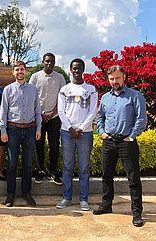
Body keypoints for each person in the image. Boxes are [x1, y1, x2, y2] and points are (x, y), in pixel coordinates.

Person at [93, 65, 147, 227]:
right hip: (108, 142)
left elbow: (141, 119)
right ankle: (106, 205)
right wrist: (101, 131)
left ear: (124, 78)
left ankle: (136, 212)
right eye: (111, 79)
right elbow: (100, 116)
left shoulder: (135, 96)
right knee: (106, 175)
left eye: (117, 78)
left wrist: (131, 136)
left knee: (133, 179)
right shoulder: (106, 97)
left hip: (127, 143)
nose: (114, 81)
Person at [56, 58, 98, 211]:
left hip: (85, 134)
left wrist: (80, 128)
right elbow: (61, 111)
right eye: (74, 68)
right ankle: (66, 197)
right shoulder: (64, 89)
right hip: (67, 133)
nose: (76, 71)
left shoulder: (91, 89)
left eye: (79, 68)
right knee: (67, 166)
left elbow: (92, 111)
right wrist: (71, 128)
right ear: (70, 69)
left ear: (83, 69)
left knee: (84, 167)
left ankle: (83, 199)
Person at [0, 61, 42, 207]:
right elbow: (3, 112)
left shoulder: (33, 89)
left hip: (30, 130)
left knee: (28, 164)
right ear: (13, 72)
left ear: (26, 71)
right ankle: (10, 194)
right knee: (12, 164)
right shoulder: (8, 90)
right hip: (13, 130)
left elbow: (37, 111)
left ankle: (27, 193)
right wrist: (3, 130)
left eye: (22, 69)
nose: (20, 72)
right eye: (17, 69)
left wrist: (38, 129)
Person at [29, 52, 66, 185]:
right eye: (47, 61)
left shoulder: (60, 77)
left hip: (54, 117)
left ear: (54, 63)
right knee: (39, 144)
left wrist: (53, 112)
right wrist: (40, 113)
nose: (49, 63)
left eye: (51, 61)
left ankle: (53, 171)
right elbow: (31, 96)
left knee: (54, 145)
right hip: (39, 116)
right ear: (42, 62)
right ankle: (40, 171)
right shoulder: (35, 77)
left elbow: (62, 98)